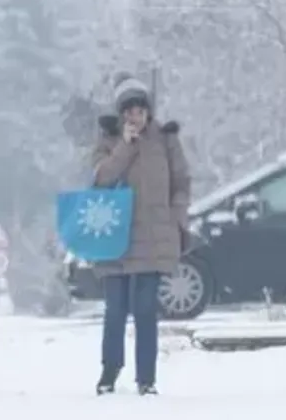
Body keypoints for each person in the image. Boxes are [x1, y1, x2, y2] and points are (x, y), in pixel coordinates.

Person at [90, 73, 191, 397]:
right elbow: (100, 179)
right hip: (115, 238)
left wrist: (176, 219)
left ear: (148, 111)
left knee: (146, 309)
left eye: (140, 109)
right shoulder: (108, 140)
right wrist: (125, 145)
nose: (135, 115)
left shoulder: (165, 139)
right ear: (120, 114)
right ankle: (109, 372)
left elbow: (181, 182)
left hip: (152, 237)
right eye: (129, 110)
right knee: (115, 309)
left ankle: (146, 378)